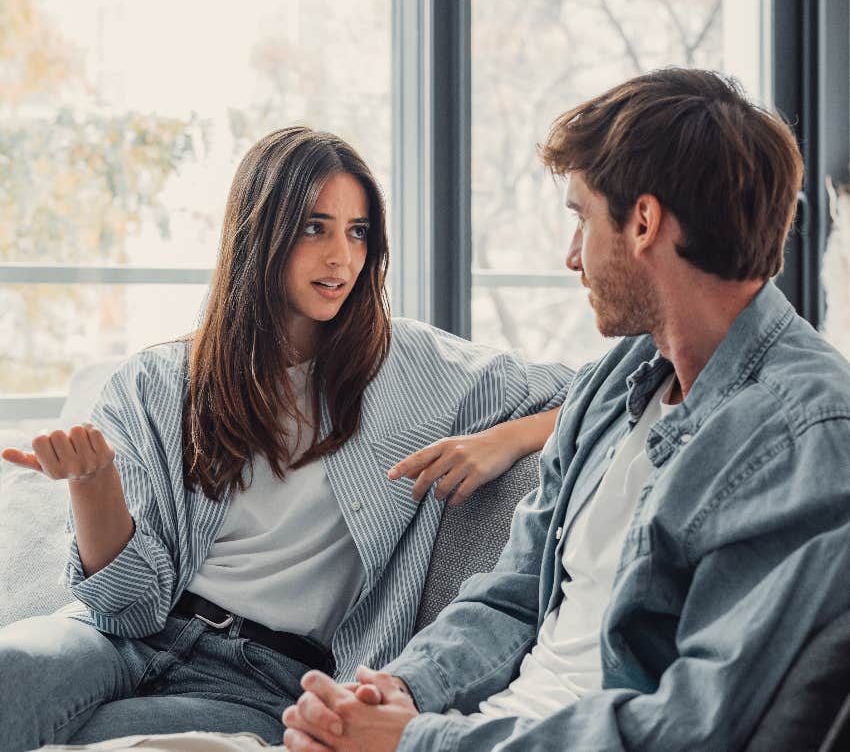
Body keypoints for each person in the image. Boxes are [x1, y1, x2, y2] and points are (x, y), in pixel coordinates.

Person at [281, 68, 850, 752]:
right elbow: (516, 590)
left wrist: (416, 742)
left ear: (642, 222)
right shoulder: (614, 383)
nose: (571, 256)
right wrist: (397, 694)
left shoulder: (805, 436)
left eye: (581, 217)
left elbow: (695, 729)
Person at [0, 127, 572, 752]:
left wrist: (509, 438)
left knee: (99, 743)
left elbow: (605, 387)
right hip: (118, 639)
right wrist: (92, 484)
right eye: (314, 227)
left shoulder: (416, 368)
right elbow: (126, 610)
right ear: (260, 232)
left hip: (261, 681)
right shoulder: (156, 383)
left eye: (357, 232)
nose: (341, 257)